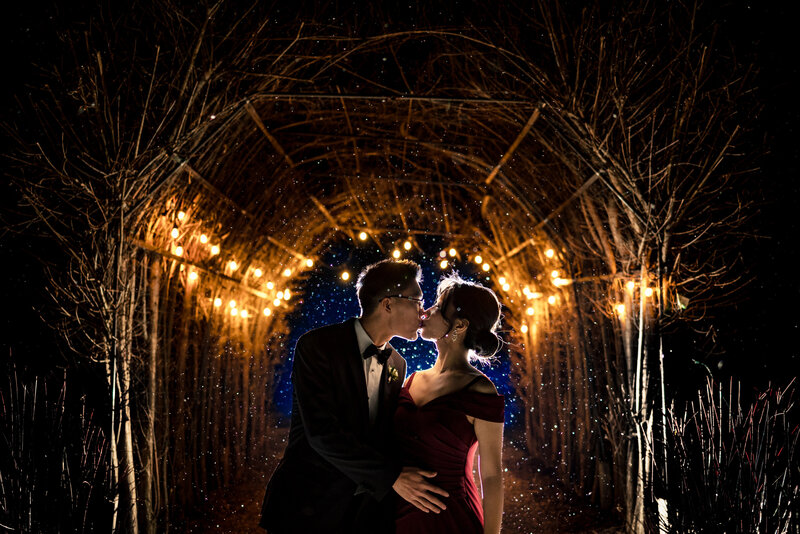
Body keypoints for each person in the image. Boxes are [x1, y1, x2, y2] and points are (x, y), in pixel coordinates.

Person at [259, 259, 449, 534]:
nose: (423, 313)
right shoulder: (317, 346)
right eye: (417, 301)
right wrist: (392, 477)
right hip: (307, 505)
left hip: (361, 513)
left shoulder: (398, 364)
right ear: (388, 304)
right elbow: (322, 432)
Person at [394, 273, 505, 534]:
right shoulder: (410, 380)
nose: (427, 311)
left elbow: (491, 475)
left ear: (460, 326)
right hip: (396, 514)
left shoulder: (479, 390)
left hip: (450, 519)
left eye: (438, 307)